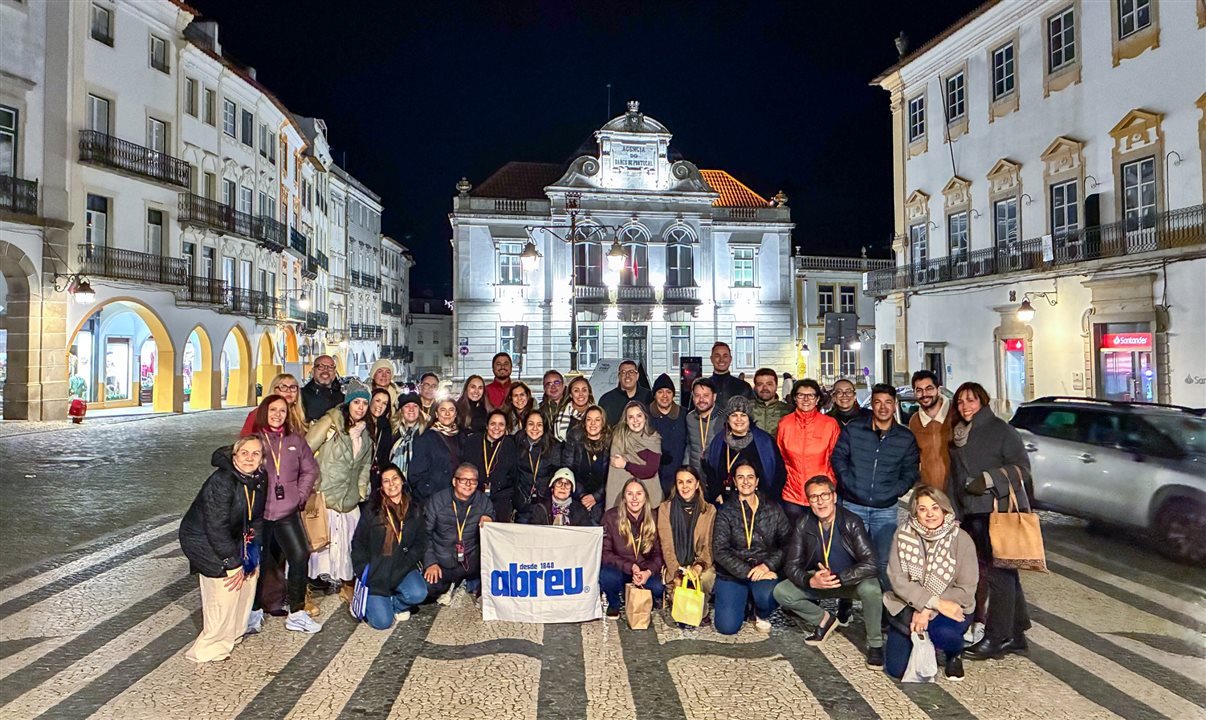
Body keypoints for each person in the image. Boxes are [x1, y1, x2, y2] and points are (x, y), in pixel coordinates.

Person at [948, 382, 1033, 661]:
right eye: (960, 402)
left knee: (1000, 574)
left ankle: (996, 638)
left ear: (982, 402)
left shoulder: (1002, 431)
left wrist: (987, 480)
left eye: (970, 400)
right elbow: (956, 479)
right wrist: (956, 512)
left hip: (999, 511)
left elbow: (1022, 469)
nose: (965, 406)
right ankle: (1017, 633)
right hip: (973, 512)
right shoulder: (959, 434)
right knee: (1006, 573)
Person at [774, 476, 883, 666]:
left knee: (872, 590)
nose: (820, 501)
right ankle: (824, 620)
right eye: (814, 497)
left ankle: (875, 644)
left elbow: (872, 563)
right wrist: (810, 581)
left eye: (824, 495)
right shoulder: (803, 523)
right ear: (808, 501)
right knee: (781, 592)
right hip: (818, 581)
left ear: (833, 496)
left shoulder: (851, 522)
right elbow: (791, 566)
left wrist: (840, 577)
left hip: (849, 581)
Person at [179, 437, 267, 662]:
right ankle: (208, 647)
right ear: (234, 456)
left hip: (235, 536)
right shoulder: (222, 480)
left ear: (262, 459)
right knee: (225, 590)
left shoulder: (258, 478)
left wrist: (252, 554)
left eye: (255, 454)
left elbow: (256, 518)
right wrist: (232, 562)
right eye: (244, 453)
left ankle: (233, 635)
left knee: (248, 582)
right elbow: (215, 525)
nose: (249, 458)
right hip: (204, 540)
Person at [883, 487, 978, 681]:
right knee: (896, 669)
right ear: (915, 512)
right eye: (922, 509)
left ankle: (954, 653)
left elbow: (966, 589)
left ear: (944, 509)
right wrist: (928, 602)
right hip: (907, 604)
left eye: (935, 508)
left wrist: (927, 609)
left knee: (945, 634)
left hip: (950, 605)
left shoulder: (962, 540)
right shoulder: (902, 535)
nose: (929, 514)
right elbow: (897, 579)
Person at [832, 383, 921, 587]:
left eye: (888, 402)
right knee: (850, 557)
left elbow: (911, 470)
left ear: (894, 404)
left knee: (883, 560)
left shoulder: (905, 437)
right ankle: (845, 605)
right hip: (853, 505)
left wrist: (896, 490)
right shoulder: (855, 429)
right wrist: (848, 484)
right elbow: (838, 458)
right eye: (878, 402)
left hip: (885, 509)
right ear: (871, 404)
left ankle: (884, 610)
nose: (883, 407)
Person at [248, 394, 321, 633]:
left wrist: (299, 496)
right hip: (260, 513)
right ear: (264, 412)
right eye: (273, 410)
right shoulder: (256, 440)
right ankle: (253, 612)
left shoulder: (295, 440)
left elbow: (310, 469)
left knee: (299, 556)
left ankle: (297, 612)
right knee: (257, 563)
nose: (278, 415)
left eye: (282, 411)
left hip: (287, 511)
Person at [306, 379, 374, 599]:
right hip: (325, 494)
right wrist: (311, 484)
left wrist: (362, 490)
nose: (361, 407)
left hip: (349, 497)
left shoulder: (365, 433)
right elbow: (307, 451)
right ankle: (307, 588)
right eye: (357, 402)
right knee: (318, 545)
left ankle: (346, 583)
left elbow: (364, 465)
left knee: (347, 544)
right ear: (348, 403)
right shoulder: (330, 422)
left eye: (365, 403)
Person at [710, 462, 792, 635]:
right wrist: (749, 571)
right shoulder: (726, 510)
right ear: (734, 481)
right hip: (733, 573)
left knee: (767, 597)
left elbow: (788, 543)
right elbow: (720, 550)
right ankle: (745, 602)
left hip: (764, 570)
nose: (745, 481)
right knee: (727, 628)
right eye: (740, 477)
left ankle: (760, 611)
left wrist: (768, 565)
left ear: (757, 482)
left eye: (750, 477)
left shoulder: (773, 508)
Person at [351, 464, 429, 630]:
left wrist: (409, 561)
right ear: (381, 486)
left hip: (402, 567)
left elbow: (421, 541)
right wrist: (363, 569)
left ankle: (396, 602)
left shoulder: (414, 508)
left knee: (418, 593)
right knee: (382, 623)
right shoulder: (372, 510)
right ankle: (371, 603)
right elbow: (358, 542)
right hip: (377, 571)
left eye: (395, 479)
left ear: (402, 481)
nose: (391, 484)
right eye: (386, 481)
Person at [424, 463, 495, 603]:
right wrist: (431, 562)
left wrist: (489, 516)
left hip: (469, 561)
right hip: (442, 560)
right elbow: (424, 534)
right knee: (427, 589)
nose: (468, 484)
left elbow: (492, 522)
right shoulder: (438, 501)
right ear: (454, 481)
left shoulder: (483, 502)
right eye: (463, 480)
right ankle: (452, 584)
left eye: (473, 481)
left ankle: (462, 582)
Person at [777, 378, 841, 524]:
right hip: (792, 495)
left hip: (821, 495)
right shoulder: (784, 424)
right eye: (801, 395)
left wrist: (831, 486)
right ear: (794, 398)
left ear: (817, 399)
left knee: (822, 542)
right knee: (795, 541)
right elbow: (781, 457)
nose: (806, 399)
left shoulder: (829, 424)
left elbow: (835, 458)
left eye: (811, 395)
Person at [600, 478, 665, 616]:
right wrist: (630, 566)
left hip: (644, 569)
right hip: (620, 570)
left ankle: (644, 598)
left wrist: (648, 572)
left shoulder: (654, 517)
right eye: (630, 494)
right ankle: (614, 602)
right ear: (624, 498)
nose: (634, 498)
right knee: (607, 576)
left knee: (658, 587)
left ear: (645, 497)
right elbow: (604, 553)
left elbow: (659, 553)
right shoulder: (611, 517)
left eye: (639, 493)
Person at [704, 396, 782, 507]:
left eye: (743, 415)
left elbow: (779, 473)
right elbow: (709, 470)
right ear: (728, 419)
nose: (739, 419)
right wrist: (716, 493)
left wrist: (769, 500)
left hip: (759, 504)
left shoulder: (765, 441)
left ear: (749, 418)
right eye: (734, 415)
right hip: (726, 504)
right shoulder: (718, 441)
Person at [657, 466, 717, 607]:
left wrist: (698, 567)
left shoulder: (709, 510)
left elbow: (709, 546)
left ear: (697, 484)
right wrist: (678, 572)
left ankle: (702, 608)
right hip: (675, 565)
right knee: (682, 613)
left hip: (698, 563)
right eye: (680, 482)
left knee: (707, 577)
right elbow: (667, 546)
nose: (685, 486)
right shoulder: (665, 509)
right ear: (676, 485)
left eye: (689, 482)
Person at [605, 401, 663, 509]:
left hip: (649, 497)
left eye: (639, 416)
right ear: (626, 421)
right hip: (624, 499)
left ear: (645, 418)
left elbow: (650, 470)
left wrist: (626, 465)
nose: (635, 420)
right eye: (631, 417)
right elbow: (616, 473)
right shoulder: (619, 438)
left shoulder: (653, 438)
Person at [464, 409, 518, 522]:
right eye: (493, 424)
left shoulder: (511, 445)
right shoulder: (472, 441)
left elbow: (514, 475)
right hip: (475, 496)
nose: (497, 428)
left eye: (501, 424)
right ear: (487, 426)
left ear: (506, 427)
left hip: (502, 499)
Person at [560, 405, 611, 524]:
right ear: (584, 422)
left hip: (602, 497)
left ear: (603, 423)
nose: (593, 423)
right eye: (589, 419)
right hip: (577, 495)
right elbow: (567, 470)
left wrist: (595, 497)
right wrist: (582, 495)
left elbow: (612, 477)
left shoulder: (611, 441)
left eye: (597, 420)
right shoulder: (574, 437)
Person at [407, 398, 462, 504]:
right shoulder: (425, 438)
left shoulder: (462, 437)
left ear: (455, 414)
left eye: (451, 410)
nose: (447, 413)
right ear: (436, 414)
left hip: (457, 497)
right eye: (443, 410)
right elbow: (416, 474)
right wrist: (428, 491)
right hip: (434, 498)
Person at [908, 370, 954, 491]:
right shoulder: (914, 422)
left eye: (929, 389)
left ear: (938, 390)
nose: (924, 394)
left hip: (957, 492)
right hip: (929, 493)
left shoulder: (955, 414)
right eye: (919, 390)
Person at [513, 409, 561, 523]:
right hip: (523, 501)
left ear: (544, 427)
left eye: (539, 425)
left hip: (546, 502)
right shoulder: (516, 442)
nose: (535, 428)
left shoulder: (555, 446)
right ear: (524, 426)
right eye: (531, 424)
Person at [648, 373, 688, 499]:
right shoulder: (644, 415)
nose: (664, 396)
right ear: (654, 395)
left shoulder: (685, 415)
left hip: (678, 478)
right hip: (651, 477)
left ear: (673, 395)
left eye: (668, 392)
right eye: (660, 392)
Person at [240, 373, 305, 437]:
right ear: (273, 391)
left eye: (293, 387)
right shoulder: (257, 413)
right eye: (283, 387)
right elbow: (244, 440)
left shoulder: (300, 416)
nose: (288, 391)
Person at [684, 378, 723, 474]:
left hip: (716, 475)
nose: (701, 400)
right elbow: (689, 447)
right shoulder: (690, 418)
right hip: (695, 475)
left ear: (714, 397)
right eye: (697, 395)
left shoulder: (724, 418)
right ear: (693, 397)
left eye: (706, 395)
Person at [598, 360, 653, 426]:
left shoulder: (649, 397)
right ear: (619, 376)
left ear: (637, 376)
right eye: (623, 372)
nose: (627, 375)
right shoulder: (606, 400)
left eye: (631, 372)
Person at [389, 392, 427, 479]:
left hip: (419, 484)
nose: (411, 409)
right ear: (401, 411)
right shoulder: (392, 432)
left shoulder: (427, 433)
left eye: (415, 406)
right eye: (407, 406)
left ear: (420, 410)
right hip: (395, 484)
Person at [368, 388, 397, 497]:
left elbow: (385, 456)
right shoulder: (360, 423)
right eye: (377, 400)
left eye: (385, 403)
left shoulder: (385, 426)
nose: (380, 405)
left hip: (376, 479)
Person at [709, 342, 753, 409]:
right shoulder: (703, 387)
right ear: (711, 359)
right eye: (717, 356)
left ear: (730, 359)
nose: (721, 359)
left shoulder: (744, 387)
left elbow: (751, 414)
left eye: (725, 356)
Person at [301, 355, 343, 424]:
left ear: (335, 372)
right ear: (313, 371)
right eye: (321, 366)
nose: (326, 370)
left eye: (330, 367)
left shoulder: (343, 398)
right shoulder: (300, 396)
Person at [750, 368, 791, 438]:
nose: (765, 388)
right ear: (755, 387)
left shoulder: (789, 411)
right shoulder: (745, 409)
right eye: (760, 384)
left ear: (776, 386)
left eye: (769, 384)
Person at [554, 375, 594, 442]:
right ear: (570, 395)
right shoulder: (560, 414)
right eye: (576, 391)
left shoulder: (597, 414)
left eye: (584, 390)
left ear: (588, 393)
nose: (581, 394)